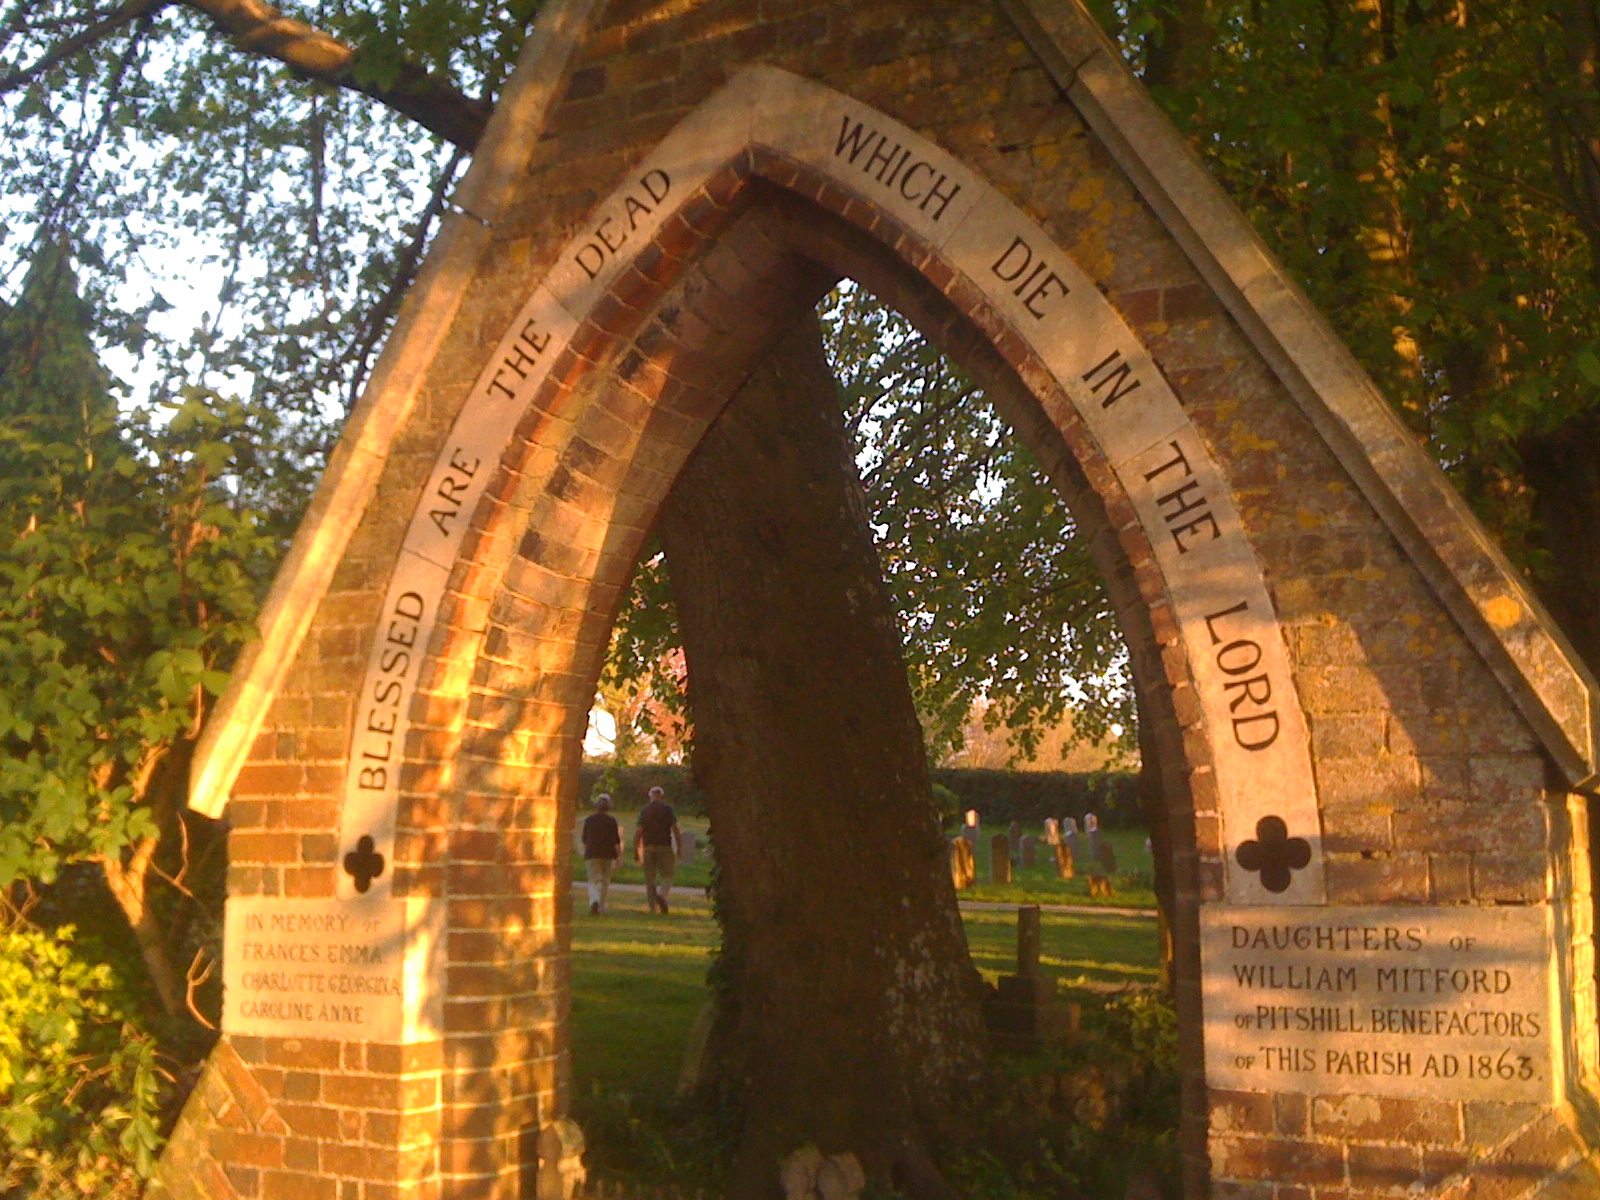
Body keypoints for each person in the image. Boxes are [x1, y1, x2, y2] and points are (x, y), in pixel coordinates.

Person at [635, 785, 681, 914]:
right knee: (668, 874)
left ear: (650, 795)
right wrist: (680, 847)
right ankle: (662, 895)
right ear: (661, 796)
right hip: (664, 846)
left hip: (648, 847)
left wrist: (635, 849)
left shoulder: (644, 810)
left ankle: (652, 908)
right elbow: (675, 829)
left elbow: (639, 831)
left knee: (650, 879)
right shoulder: (668, 809)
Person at [581, 793, 622, 914]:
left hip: (592, 853)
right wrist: (619, 856)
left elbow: (584, 838)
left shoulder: (589, 820)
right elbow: (616, 840)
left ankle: (594, 900)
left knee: (593, 880)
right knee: (605, 881)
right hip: (607, 854)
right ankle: (601, 906)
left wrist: (585, 850)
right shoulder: (611, 821)